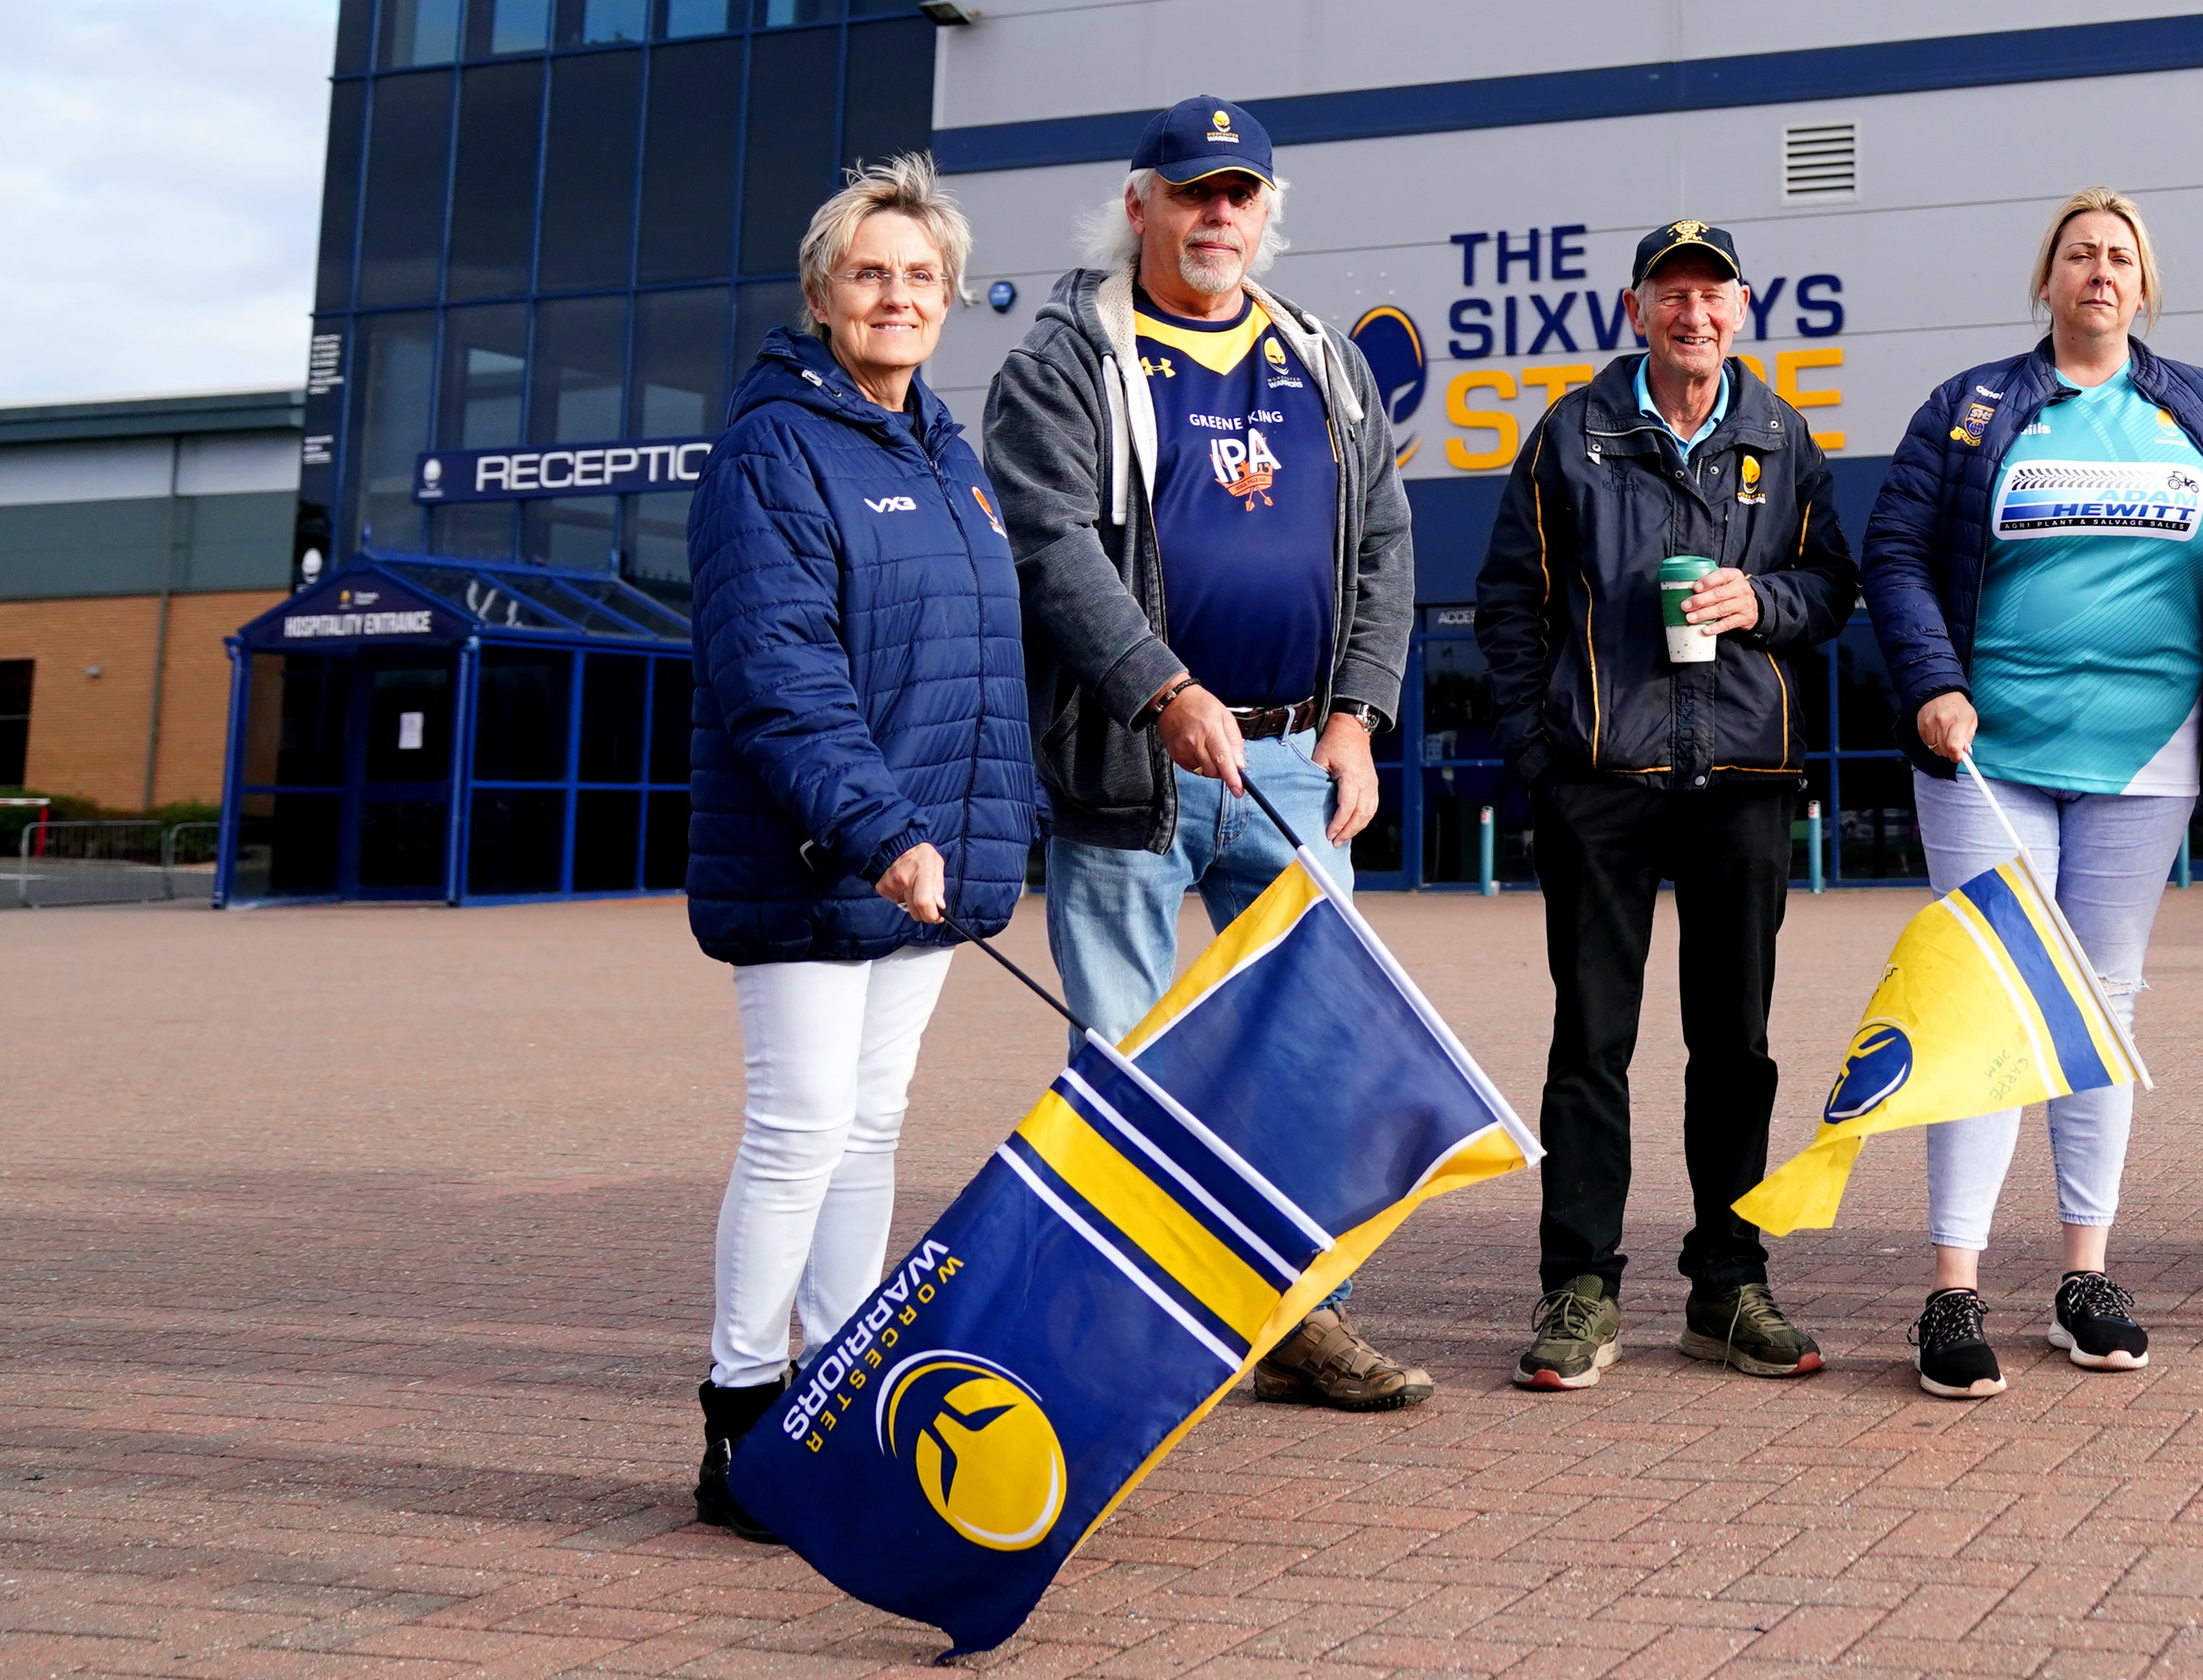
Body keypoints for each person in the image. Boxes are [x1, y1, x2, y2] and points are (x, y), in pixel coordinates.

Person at [979, 95, 1429, 1412]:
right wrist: (1160, 687)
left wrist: (1360, 714)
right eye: (1191, 192)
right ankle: (1123, 1330)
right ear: (1140, 207)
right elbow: (1048, 542)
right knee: (1122, 1056)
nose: (1216, 213)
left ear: (1267, 216)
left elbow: (1385, 548)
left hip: (1293, 763)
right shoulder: (1069, 358)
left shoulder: (1327, 364)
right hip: (1132, 767)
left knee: (1309, 1051)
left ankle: (1301, 1317)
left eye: (1240, 194)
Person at [1862, 189, 2203, 1397]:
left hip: (2146, 759)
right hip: (1985, 755)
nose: (2100, 272)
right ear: (2044, 280)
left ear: (2145, 286)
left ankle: (2085, 1276)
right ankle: (1953, 1291)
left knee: (2102, 1009)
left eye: (2120, 257)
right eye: (2078, 255)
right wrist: (1934, 685)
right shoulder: (1974, 409)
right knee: (1987, 1008)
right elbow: (1895, 556)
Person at [684, 156, 1033, 1538]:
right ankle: (741, 1424)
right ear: (825, 292)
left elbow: (975, 669)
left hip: (921, 867)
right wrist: (879, 827)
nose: (898, 295)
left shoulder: (948, 455)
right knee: (797, 1131)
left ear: (950, 301)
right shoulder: (773, 447)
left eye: (922, 277)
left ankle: (837, 1393)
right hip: (821, 855)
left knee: (873, 1126)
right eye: (872, 273)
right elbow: (776, 669)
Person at [1477, 218, 1861, 1392]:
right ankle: (1580, 1285)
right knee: (1591, 1044)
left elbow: (1833, 585)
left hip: (1740, 778)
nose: (1694, 315)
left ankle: (1727, 1284)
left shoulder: (1779, 436)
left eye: (1714, 294)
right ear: (1636, 310)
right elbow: (1511, 602)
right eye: (1672, 295)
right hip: (1602, 782)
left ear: (1743, 308)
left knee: (1733, 1048)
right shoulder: (1571, 436)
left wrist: (1769, 604)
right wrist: (1544, 753)